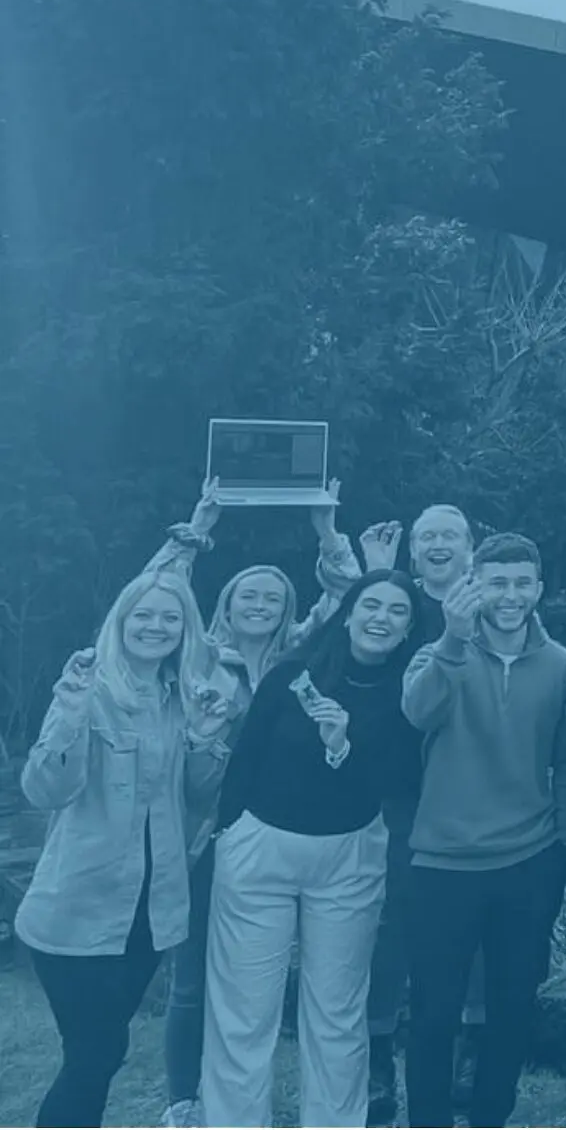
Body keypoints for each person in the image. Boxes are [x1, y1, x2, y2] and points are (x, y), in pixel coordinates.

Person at [145, 478, 361, 1128]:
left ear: (287, 608)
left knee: (252, 981)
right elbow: (152, 596)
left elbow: (353, 599)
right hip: (204, 830)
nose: (261, 604)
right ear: (227, 604)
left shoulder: (303, 659)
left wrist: (328, 532)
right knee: (191, 978)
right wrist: (197, 526)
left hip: (279, 834)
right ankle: (185, 1101)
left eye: (273, 597)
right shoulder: (197, 658)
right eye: (249, 595)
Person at [199, 570, 424, 1127]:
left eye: (397, 611)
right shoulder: (293, 673)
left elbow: (400, 780)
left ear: (409, 629)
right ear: (347, 614)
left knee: (337, 1011)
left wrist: (342, 745)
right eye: (371, 605)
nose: (381, 618)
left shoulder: (409, 693)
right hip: (260, 850)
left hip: (350, 856)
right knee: (244, 1011)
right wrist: (230, 831)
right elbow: (246, 759)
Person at [15, 571, 236, 1129]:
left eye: (170, 617)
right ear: (121, 620)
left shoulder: (185, 698)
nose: (155, 626)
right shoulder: (87, 690)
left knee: (100, 1053)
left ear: (185, 628)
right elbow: (44, 790)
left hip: (150, 915)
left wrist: (206, 738)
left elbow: (198, 797)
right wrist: (69, 716)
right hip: (76, 907)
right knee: (95, 1053)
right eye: (144, 614)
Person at [400, 532, 566, 1129]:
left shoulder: (562, 666)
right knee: (433, 1011)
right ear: (474, 586)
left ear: (539, 589)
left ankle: (489, 1118)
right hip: (442, 862)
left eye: (522, 583)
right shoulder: (437, 654)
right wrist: (452, 639)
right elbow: (417, 712)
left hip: (529, 859)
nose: (510, 595)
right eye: (497, 583)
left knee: (512, 1008)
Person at [354, 502, 482, 1118]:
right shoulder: (396, 603)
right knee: (391, 924)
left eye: (449, 535)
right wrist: (373, 576)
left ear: (469, 548)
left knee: (475, 925)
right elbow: (358, 644)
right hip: (401, 789)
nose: (438, 545)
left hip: (475, 788)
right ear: (414, 552)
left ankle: (471, 1047)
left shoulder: (491, 602)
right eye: (427, 536)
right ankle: (378, 1056)